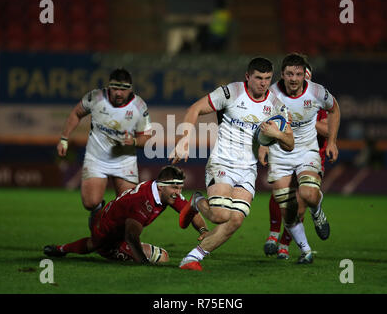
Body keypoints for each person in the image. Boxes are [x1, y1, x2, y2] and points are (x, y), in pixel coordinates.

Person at [170, 57, 295, 271]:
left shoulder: (276, 105)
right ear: (248, 77)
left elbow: (290, 143)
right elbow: (195, 109)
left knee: (235, 220)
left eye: (267, 79)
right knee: (220, 215)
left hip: (248, 170)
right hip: (222, 162)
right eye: (258, 78)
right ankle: (196, 201)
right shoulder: (230, 93)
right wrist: (184, 140)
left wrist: (277, 134)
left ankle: (191, 259)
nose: (263, 83)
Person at [259, 53, 340, 264]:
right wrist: (262, 146)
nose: (294, 78)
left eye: (298, 74)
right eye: (289, 74)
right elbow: (261, 119)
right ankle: (306, 251)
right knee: (288, 210)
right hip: (279, 153)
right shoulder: (271, 93)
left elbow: (335, 108)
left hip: (306, 150)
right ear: (282, 75)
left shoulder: (316, 92)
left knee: (309, 194)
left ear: (305, 75)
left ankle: (317, 209)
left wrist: (331, 141)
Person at [43, 165, 209, 264]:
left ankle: (63, 247)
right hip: (110, 236)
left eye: (180, 188)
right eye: (175, 188)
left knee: (94, 243)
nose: (178, 193)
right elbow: (131, 236)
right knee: (95, 245)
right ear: (161, 187)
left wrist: (203, 230)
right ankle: (63, 248)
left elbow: (190, 211)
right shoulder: (143, 201)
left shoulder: (165, 192)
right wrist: (143, 264)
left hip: (116, 223)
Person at [57, 68, 152, 212]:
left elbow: (146, 137)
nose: (119, 93)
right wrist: (64, 138)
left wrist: (134, 141)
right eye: (115, 88)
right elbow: (76, 113)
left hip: (124, 161)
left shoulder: (139, 106)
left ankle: (114, 227)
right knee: (90, 203)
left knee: (128, 207)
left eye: (123, 89)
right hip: (97, 158)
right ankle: (100, 219)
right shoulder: (96, 97)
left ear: (130, 89)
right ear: (109, 86)